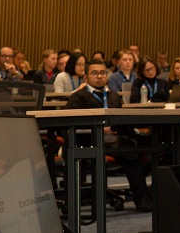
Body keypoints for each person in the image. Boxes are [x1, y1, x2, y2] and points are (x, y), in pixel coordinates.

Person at [64, 59, 152, 212]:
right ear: (86, 77)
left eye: (102, 73)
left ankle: (143, 200)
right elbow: (70, 125)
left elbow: (122, 120)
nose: (99, 76)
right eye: (94, 73)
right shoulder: (78, 97)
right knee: (129, 151)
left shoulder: (113, 96)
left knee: (133, 150)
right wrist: (100, 129)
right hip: (88, 140)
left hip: (115, 140)